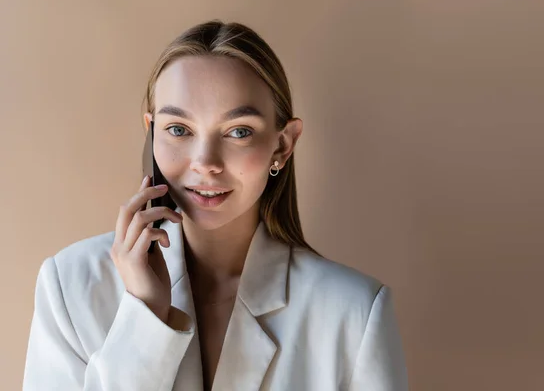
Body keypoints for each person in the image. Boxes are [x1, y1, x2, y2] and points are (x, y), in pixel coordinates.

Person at [22, 20, 409, 391]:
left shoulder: (354, 313)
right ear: (151, 133)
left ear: (283, 144)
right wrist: (144, 315)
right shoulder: (70, 287)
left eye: (238, 132)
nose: (205, 161)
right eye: (178, 130)